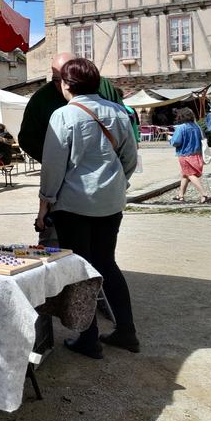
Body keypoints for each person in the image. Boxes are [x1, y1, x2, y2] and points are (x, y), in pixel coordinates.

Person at [36, 58, 139, 359]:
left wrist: (45, 204)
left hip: (75, 204)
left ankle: (88, 337)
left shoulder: (64, 115)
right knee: (107, 262)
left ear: (67, 85)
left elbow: (53, 169)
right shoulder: (119, 112)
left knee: (81, 268)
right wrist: (114, 184)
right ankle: (127, 331)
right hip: (111, 203)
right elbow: (130, 159)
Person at [20, 51, 124, 244]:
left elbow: (126, 144)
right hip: (66, 190)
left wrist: (114, 175)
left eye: (65, 79)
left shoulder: (103, 91)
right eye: (55, 79)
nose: (61, 85)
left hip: (98, 194)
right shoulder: (42, 98)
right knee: (63, 248)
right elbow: (27, 139)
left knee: (91, 256)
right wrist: (58, 164)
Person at [170, 108, 211, 204]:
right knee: (185, 174)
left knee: (190, 175)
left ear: (181, 116)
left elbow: (176, 142)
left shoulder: (181, 128)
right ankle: (180, 195)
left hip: (185, 155)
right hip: (197, 155)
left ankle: (204, 194)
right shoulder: (197, 127)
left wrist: (170, 139)